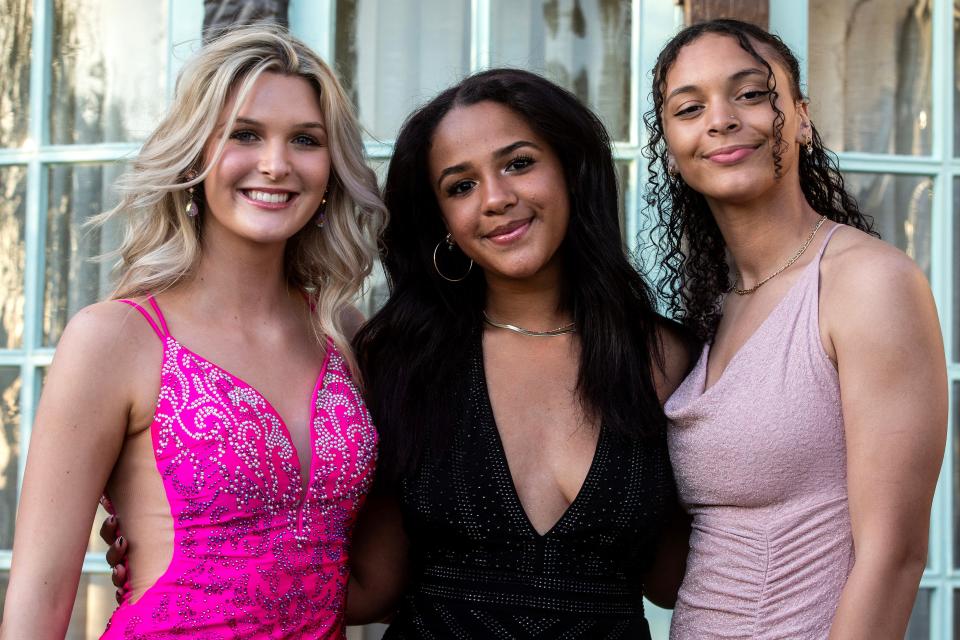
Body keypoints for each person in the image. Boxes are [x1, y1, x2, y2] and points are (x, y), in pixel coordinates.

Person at [1, 25, 386, 639]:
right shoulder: (116, 339)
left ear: (331, 167)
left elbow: (365, 576)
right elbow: (40, 598)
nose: (276, 164)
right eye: (245, 134)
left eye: (305, 140)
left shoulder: (343, 333)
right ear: (194, 154)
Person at [346, 68, 692, 638]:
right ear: (443, 223)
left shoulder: (665, 359)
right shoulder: (398, 359)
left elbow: (678, 578)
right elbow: (371, 585)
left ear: (571, 171)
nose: (497, 199)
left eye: (518, 163)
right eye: (461, 186)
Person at [644, 19, 947, 639]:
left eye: (751, 93)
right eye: (689, 107)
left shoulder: (866, 283)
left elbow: (893, 557)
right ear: (671, 147)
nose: (721, 119)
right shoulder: (719, 307)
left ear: (803, 118)